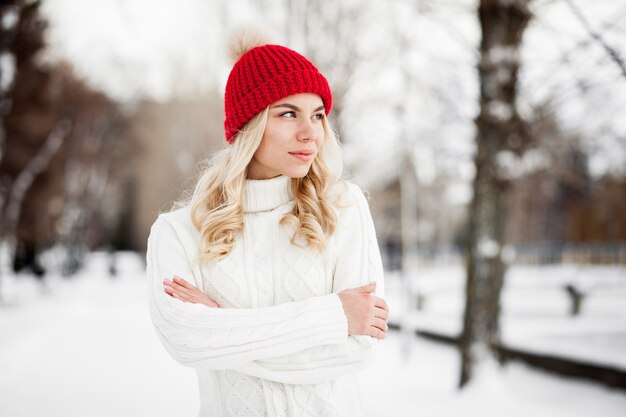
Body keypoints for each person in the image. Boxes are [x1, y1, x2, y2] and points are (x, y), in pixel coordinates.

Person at [146, 29, 389, 417]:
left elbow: (359, 346)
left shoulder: (344, 209)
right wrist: (333, 316)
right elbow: (186, 341)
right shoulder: (178, 232)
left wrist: (222, 326)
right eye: (288, 113)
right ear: (249, 124)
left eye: (318, 115)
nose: (311, 133)